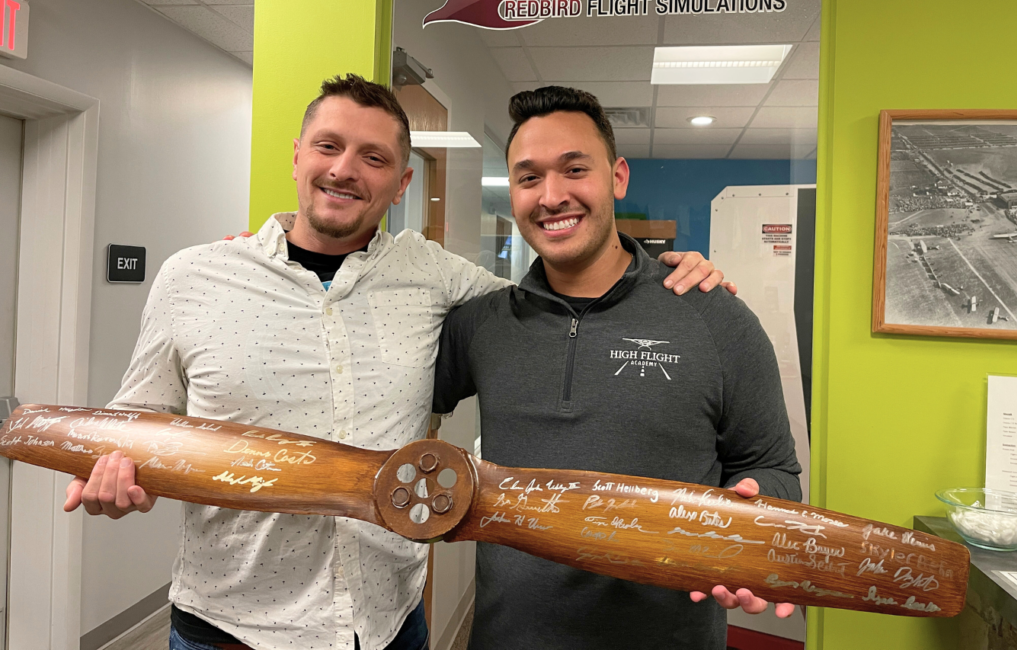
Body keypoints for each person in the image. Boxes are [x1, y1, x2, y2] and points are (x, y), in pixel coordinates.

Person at [62, 74, 732, 650]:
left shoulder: (433, 276)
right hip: (232, 627)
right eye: (328, 146)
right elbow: (139, 419)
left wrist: (661, 280)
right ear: (297, 155)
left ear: (402, 180)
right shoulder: (195, 276)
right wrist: (119, 474)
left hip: (386, 624)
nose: (345, 170)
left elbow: (558, 308)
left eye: (374, 157)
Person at [433, 86, 802, 650]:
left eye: (574, 169)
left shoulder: (712, 316)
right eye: (529, 177)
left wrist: (753, 528)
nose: (552, 195)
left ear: (618, 177)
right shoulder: (483, 325)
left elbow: (773, 468)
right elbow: (379, 394)